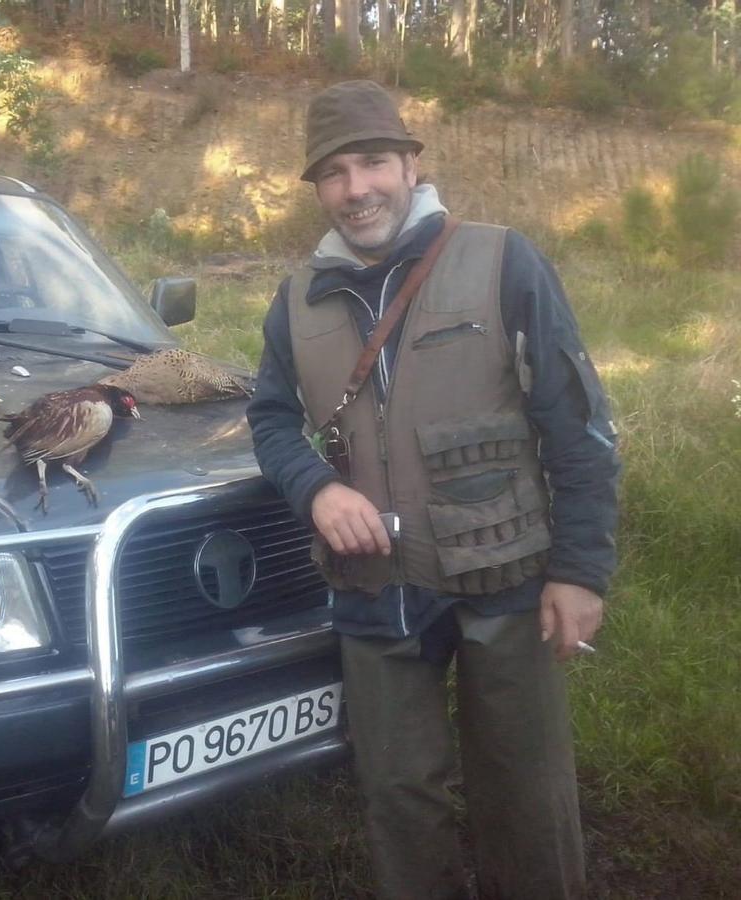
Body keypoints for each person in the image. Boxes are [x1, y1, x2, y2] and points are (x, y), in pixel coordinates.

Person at [247, 80, 620, 900]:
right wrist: (314, 489)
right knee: (398, 798)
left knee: (526, 792)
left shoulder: (501, 259)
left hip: (506, 577)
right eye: (335, 173)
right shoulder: (296, 300)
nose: (357, 190)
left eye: (374, 162)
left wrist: (581, 570)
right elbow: (270, 419)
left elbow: (577, 423)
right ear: (317, 188)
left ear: (413, 163)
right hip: (376, 590)